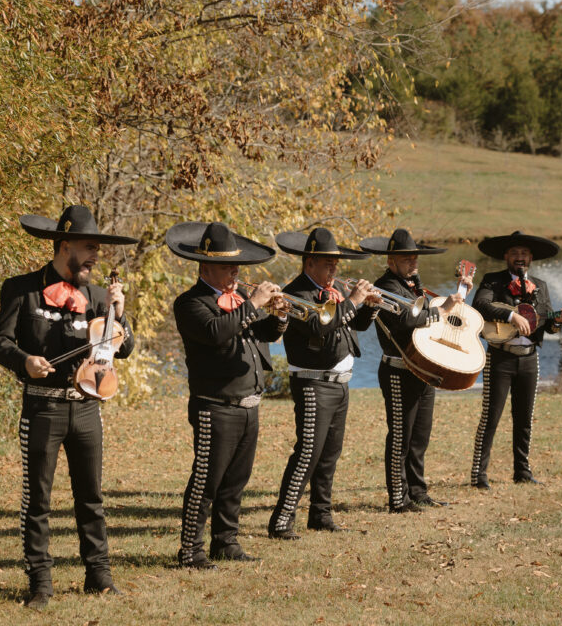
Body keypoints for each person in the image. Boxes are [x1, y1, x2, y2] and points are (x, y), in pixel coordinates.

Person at [0, 205, 137, 610]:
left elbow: (122, 350)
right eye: (90, 248)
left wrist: (119, 314)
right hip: (42, 409)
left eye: (97, 250)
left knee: (91, 496)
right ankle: (40, 582)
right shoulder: (22, 289)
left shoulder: (97, 296)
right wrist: (24, 361)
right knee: (37, 499)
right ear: (64, 245)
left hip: (88, 409)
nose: (95, 257)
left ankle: (99, 576)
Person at [166, 221, 288, 569]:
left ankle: (226, 541)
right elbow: (218, 332)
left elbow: (258, 332)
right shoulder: (190, 303)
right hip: (214, 404)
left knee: (236, 479)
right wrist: (252, 304)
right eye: (226, 266)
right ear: (205, 267)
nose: (235, 272)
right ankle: (191, 549)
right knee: (207, 479)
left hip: (248, 403)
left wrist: (279, 317)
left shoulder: (236, 300)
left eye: (237, 265)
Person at [266, 227, 380, 539]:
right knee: (307, 453)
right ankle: (281, 520)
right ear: (309, 262)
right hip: (313, 382)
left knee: (330, 453)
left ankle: (320, 513)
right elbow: (320, 325)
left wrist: (368, 306)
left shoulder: (335, 292)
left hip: (340, 382)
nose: (334, 269)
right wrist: (354, 300)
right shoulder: (296, 294)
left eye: (336, 263)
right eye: (328, 263)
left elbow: (353, 323)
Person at [359, 229, 471, 512]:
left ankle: (418, 492)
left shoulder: (411, 284)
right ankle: (398, 498)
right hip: (398, 370)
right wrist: (443, 308)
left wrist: (459, 293)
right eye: (407, 259)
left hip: (423, 368)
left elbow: (430, 317)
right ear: (391, 261)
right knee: (400, 436)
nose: (413, 262)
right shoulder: (385, 286)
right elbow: (409, 321)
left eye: (415, 258)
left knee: (420, 437)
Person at [470, 231, 562, 489]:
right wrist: (511, 317)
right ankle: (479, 475)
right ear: (506, 257)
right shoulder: (493, 281)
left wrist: (557, 322)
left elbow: (547, 327)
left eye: (524, 253)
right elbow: (479, 305)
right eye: (515, 253)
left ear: (531, 258)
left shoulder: (541, 286)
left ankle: (522, 471)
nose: (520, 258)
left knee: (524, 417)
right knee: (491, 416)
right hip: (500, 358)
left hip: (529, 359)